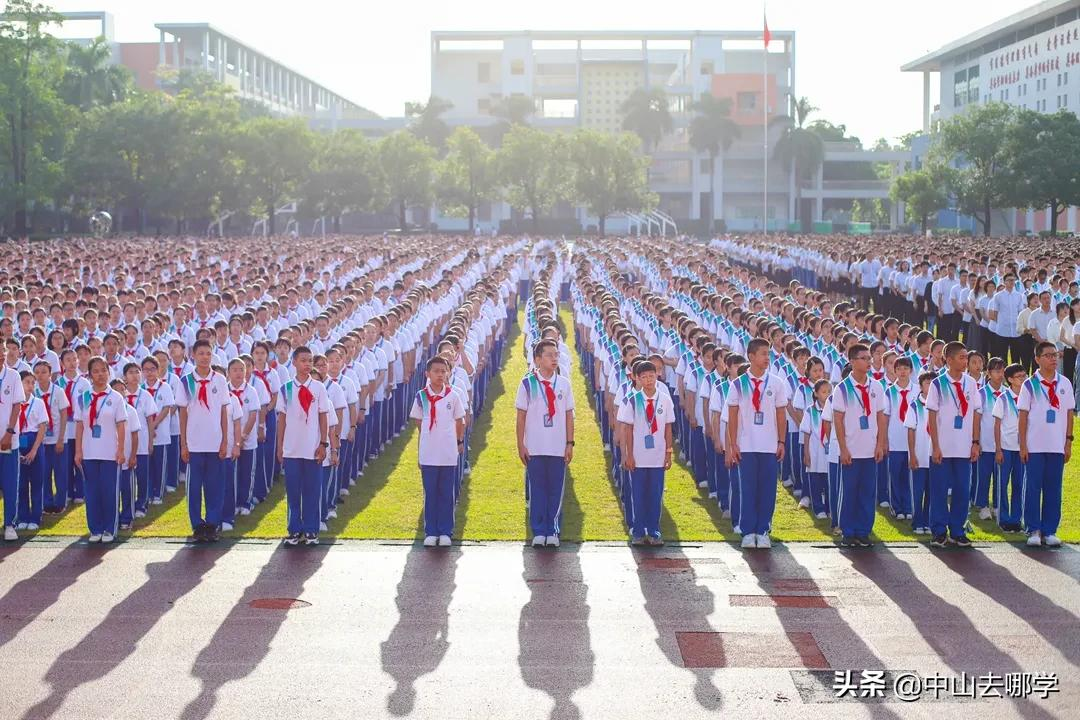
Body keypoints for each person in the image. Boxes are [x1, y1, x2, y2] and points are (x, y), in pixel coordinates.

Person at [726, 338, 789, 550]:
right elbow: (732, 416)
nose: (766, 358)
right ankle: (748, 531)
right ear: (751, 356)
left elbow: (781, 414)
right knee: (748, 488)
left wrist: (781, 441)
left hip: (769, 445)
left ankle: (763, 530)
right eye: (763, 353)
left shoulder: (777, 384)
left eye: (768, 354)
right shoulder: (738, 384)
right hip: (746, 445)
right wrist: (733, 444)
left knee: (768, 490)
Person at [515, 338, 575, 548]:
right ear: (537, 359)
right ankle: (539, 530)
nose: (554, 358)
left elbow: (569, 416)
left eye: (556, 354)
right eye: (549, 355)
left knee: (555, 489)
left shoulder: (564, 383)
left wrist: (570, 443)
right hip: (535, 445)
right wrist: (521, 444)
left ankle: (553, 529)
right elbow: (521, 416)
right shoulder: (527, 384)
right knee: (538, 488)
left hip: (557, 446)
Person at [1017, 341, 1074, 547]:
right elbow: (1022, 417)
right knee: (1032, 488)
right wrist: (1023, 445)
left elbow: (1069, 414)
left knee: (1053, 489)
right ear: (1037, 359)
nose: (1053, 359)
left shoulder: (1065, 383)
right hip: (1034, 446)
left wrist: (1068, 442)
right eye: (1048, 355)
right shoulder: (1029, 385)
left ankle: (1050, 529)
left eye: (1055, 355)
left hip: (1056, 446)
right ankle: (1033, 529)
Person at [830, 343, 887, 547]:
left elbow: (881, 417)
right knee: (849, 492)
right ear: (853, 362)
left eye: (869, 357)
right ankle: (848, 531)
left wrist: (880, 444)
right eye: (863, 358)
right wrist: (843, 448)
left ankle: (863, 531)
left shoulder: (877, 386)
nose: (868, 361)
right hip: (851, 451)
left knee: (867, 492)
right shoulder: (842, 389)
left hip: (870, 450)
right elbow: (838, 420)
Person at [175, 339, 231, 543]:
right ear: (193, 355)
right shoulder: (186, 381)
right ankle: (197, 524)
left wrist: (225, 440)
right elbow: (182, 414)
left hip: (215, 442)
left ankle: (212, 524)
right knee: (194, 487)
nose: (205, 357)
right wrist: (183, 443)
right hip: (194, 443)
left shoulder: (220, 380)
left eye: (208, 353)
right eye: (201, 353)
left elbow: (224, 411)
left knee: (215, 486)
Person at [926, 341, 981, 548]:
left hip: (964, 447)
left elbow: (976, 413)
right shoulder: (937, 384)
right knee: (939, 490)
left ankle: (957, 530)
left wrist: (975, 442)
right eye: (961, 357)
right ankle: (939, 531)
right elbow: (931, 416)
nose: (965, 361)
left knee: (962, 490)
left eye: (966, 357)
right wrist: (936, 445)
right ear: (948, 360)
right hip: (943, 447)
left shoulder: (971, 383)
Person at [276, 346, 331, 546]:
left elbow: (323, 416)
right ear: (294, 362)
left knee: (312, 490)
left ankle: (310, 529)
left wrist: (323, 443)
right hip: (291, 449)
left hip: (312, 448)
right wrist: (280, 446)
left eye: (310, 361)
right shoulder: (286, 389)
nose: (307, 364)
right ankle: (293, 529)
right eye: (303, 360)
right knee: (292, 491)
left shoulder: (319, 388)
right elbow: (282, 419)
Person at [410, 355, 466, 547]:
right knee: (430, 493)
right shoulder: (421, 396)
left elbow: (460, 420)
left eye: (444, 371)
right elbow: (419, 422)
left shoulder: (453, 395)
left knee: (446, 493)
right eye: (436, 371)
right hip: (428, 453)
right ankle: (431, 531)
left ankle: (445, 531)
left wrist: (458, 441)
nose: (440, 375)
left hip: (448, 452)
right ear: (428, 374)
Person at [617, 359, 674, 546]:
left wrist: (668, 451)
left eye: (652, 376)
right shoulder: (632, 400)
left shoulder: (664, 400)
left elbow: (667, 428)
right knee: (638, 494)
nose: (649, 380)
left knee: (655, 495)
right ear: (638, 379)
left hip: (657, 456)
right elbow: (627, 430)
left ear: (657, 376)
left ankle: (654, 530)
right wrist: (628, 455)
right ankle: (639, 531)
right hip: (639, 456)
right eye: (644, 377)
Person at [73, 357, 127, 543]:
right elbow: (79, 426)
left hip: (109, 453)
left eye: (103, 370)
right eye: (95, 371)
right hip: (89, 452)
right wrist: (78, 451)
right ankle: (95, 528)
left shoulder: (116, 397)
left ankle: (109, 529)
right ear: (89, 375)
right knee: (92, 491)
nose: (100, 374)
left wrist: (121, 450)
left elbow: (121, 425)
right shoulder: (83, 397)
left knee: (109, 491)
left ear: (108, 372)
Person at [991, 363, 1026, 533]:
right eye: (1019, 376)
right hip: (1005, 447)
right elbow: (997, 426)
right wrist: (998, 449)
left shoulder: (1028, 397)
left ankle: (1016, 519)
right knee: (1002, 484)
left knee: (1019, 484)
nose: (1023, 379)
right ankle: (1003, 518)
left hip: (1022, 449)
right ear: (1010, 379)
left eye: (1024, 375)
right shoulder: (1003, 399)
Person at [33, 360, 69, 515]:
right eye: (38, 372)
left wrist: (60, 439)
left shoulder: (58, 391)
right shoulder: (33, 392)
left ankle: (60, 502)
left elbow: (63, 414)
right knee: (44, 472)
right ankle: (46, 503)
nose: (41, 375)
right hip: (41, 440)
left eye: (44, 372)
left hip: (57, 439)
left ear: (50, 374)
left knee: (60, 472)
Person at [883, 356, 915, 520]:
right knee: (895, 475)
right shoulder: (889, 391)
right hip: (895, 440)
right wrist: (884, 440)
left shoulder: (917, 391)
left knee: (909, 476)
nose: (903, 372)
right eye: (899, 369)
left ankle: (909, 507)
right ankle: (897, 507)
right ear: (894, 371)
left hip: (913, 442)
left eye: (906, 368)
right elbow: (885, 417)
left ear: (911, 370)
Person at [973, 357, 1005, 521]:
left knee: (1001, 477)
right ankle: (983, 505)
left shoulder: (1007, 392)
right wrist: (976, 442)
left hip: (1002, 444)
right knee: (984, 476)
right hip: (986, 443)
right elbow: (977, 420)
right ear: (988, 373)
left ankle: (998, 505)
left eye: (1002, 371)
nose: (1000, 374)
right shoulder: (981, 393)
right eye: (996, 371)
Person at [904, 371, 935, 534]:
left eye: (933, 383)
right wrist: (912, 454)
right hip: (919, 455)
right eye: (927, 383)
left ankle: (929, 522)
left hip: (934, 456)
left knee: (933, 491)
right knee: (917, 491)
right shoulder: (915, 406)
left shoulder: (940, 405)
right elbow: (910, 430)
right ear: (921, 386)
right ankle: (917, 523)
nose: (930, 386)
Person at [15, 371, 48, 530]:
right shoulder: (15, 403)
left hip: (34, 442)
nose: (30, 386)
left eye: (32, 383)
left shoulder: (38, 403)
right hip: (18, 442)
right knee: (21, 484)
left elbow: (42, 427)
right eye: (27, 382)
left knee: (36, 482)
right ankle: (22, 517)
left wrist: (34, 450)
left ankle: (35, 517)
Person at [798, 378, 831, 519]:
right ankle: (818, 509)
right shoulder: (810, 411)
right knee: (815, 481)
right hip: (815, 451)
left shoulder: (834, 409)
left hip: (829, 452)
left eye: (829, 391)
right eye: (824, 392)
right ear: (816, 394)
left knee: (829, 482)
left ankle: (830, 509)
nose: (827, 394)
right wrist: (806, 453)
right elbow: (806, 433)